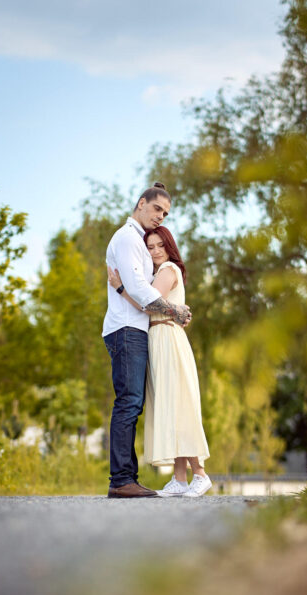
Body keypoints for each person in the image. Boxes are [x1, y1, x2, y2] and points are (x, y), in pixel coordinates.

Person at [103, 183, 192, 499]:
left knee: (133, 402)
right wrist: (174, 309)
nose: (161, 216)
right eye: (157, 209)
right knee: (128, 402)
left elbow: (139, 289)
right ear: (141, 204)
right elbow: (140, 290)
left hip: (135, 329)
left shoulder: (139, 242)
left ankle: (127, 477)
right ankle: (122, 480)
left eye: (166, 213)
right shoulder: (127, 238)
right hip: (126, 329)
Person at [109, 226, 212, 497]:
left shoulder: (167, 270)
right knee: (169, 406)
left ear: (169, 247)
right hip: (158, 339)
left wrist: (120, 288)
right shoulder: (157, 272)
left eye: (159, 246)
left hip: (168, 338)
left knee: (180, 406)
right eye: (150, 247)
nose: (155, 251)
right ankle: (179, 479)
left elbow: (147, 304)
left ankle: (199, 474)